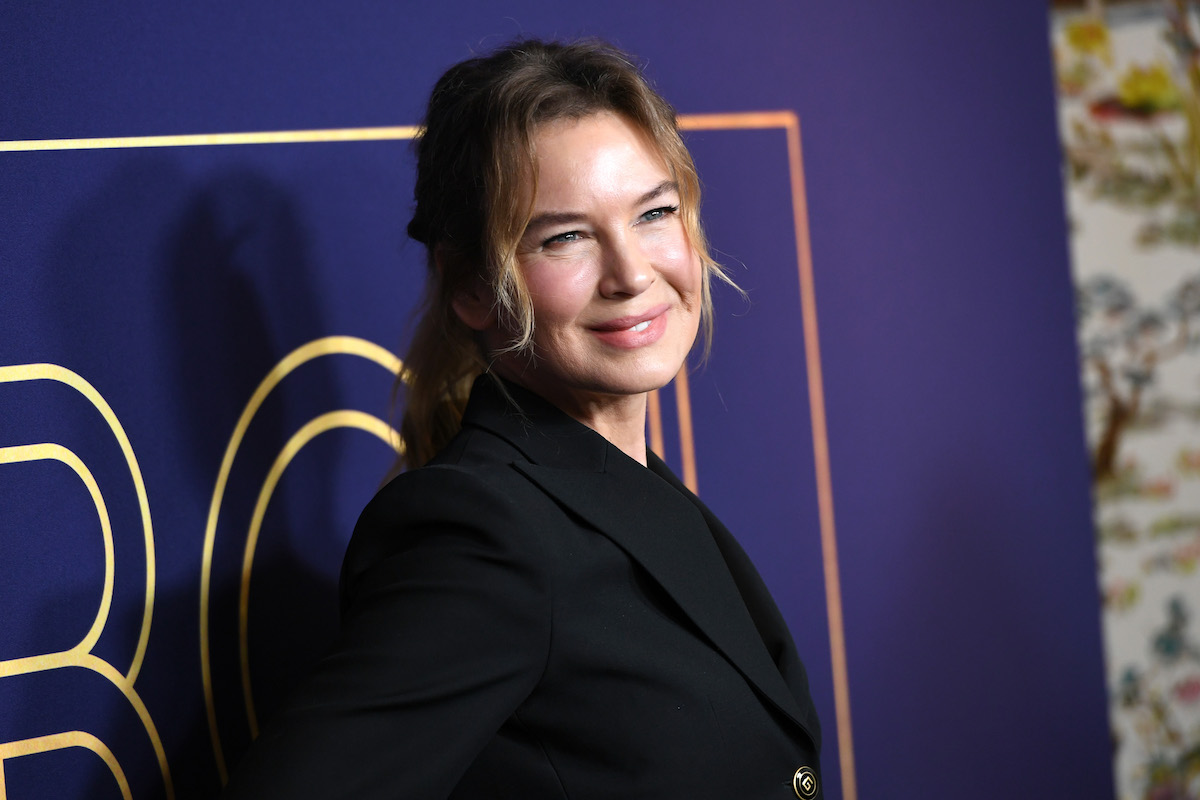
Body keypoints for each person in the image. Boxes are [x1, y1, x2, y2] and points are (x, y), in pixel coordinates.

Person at [222, 38, 823, 799]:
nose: (633, 273)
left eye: (655, 212)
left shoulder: (619, 490)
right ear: (472, 287)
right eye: (566, 235)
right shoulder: (483, 535)